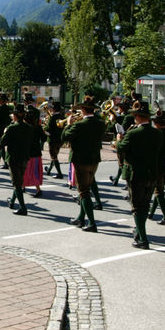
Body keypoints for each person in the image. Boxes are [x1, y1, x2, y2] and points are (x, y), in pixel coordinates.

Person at [118, 102, 163, 248]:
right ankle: (139, 231)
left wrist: (119, 140)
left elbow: (121, 148)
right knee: (145, 205)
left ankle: (143, 239)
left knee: (137, 207)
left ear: (137, 117)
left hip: (136, 174)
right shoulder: (157, 133)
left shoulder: (133, 133)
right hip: (151, 173)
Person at [62, 97, 106, 232]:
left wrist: (68, 124)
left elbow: (64, 137)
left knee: (83, 191)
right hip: (94, 159)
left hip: (81, 160)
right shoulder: (100, 123)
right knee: (86, 188)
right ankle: (81, 217)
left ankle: (92, 223)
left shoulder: (79, 125)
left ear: (83, 109)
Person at [1, 107, 34, 215]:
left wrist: (5, 131)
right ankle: (12, 201)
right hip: (24, 157)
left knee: (17, 183)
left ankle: (23, 208)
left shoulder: (11, 128)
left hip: (13, 157)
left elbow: (2, 143)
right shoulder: (29, 127)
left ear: (15, 116)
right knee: (18, 182)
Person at [148, 109, 165, 226]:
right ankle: (152, 213)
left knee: (159, 191)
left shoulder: (155, 134)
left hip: (157, 166)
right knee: (158, 188)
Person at [23, 106, 47, 198]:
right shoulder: (38, 127)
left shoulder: (25, 127)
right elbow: (44, 139)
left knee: (25, 170)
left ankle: (23, 186)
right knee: (35, 171)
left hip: (26, 152)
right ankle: (38, 189)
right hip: (36, 152)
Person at [44, 101, 65, 179]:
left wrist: (43, 129)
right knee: (54, 155)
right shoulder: (63, 117)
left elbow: (48, 131)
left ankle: (60, 173)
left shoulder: (52, 118)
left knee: (54, 157)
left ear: (53, 109)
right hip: (60, 140)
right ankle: (49, 170)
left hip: (52, 140)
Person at [0, 93, 13, 167]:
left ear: (2, 101)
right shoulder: (9, 108)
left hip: (0, 129)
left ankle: (5, 163)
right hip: (8, 128)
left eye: (0, 100)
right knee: (5, 146)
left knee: (1, 146)